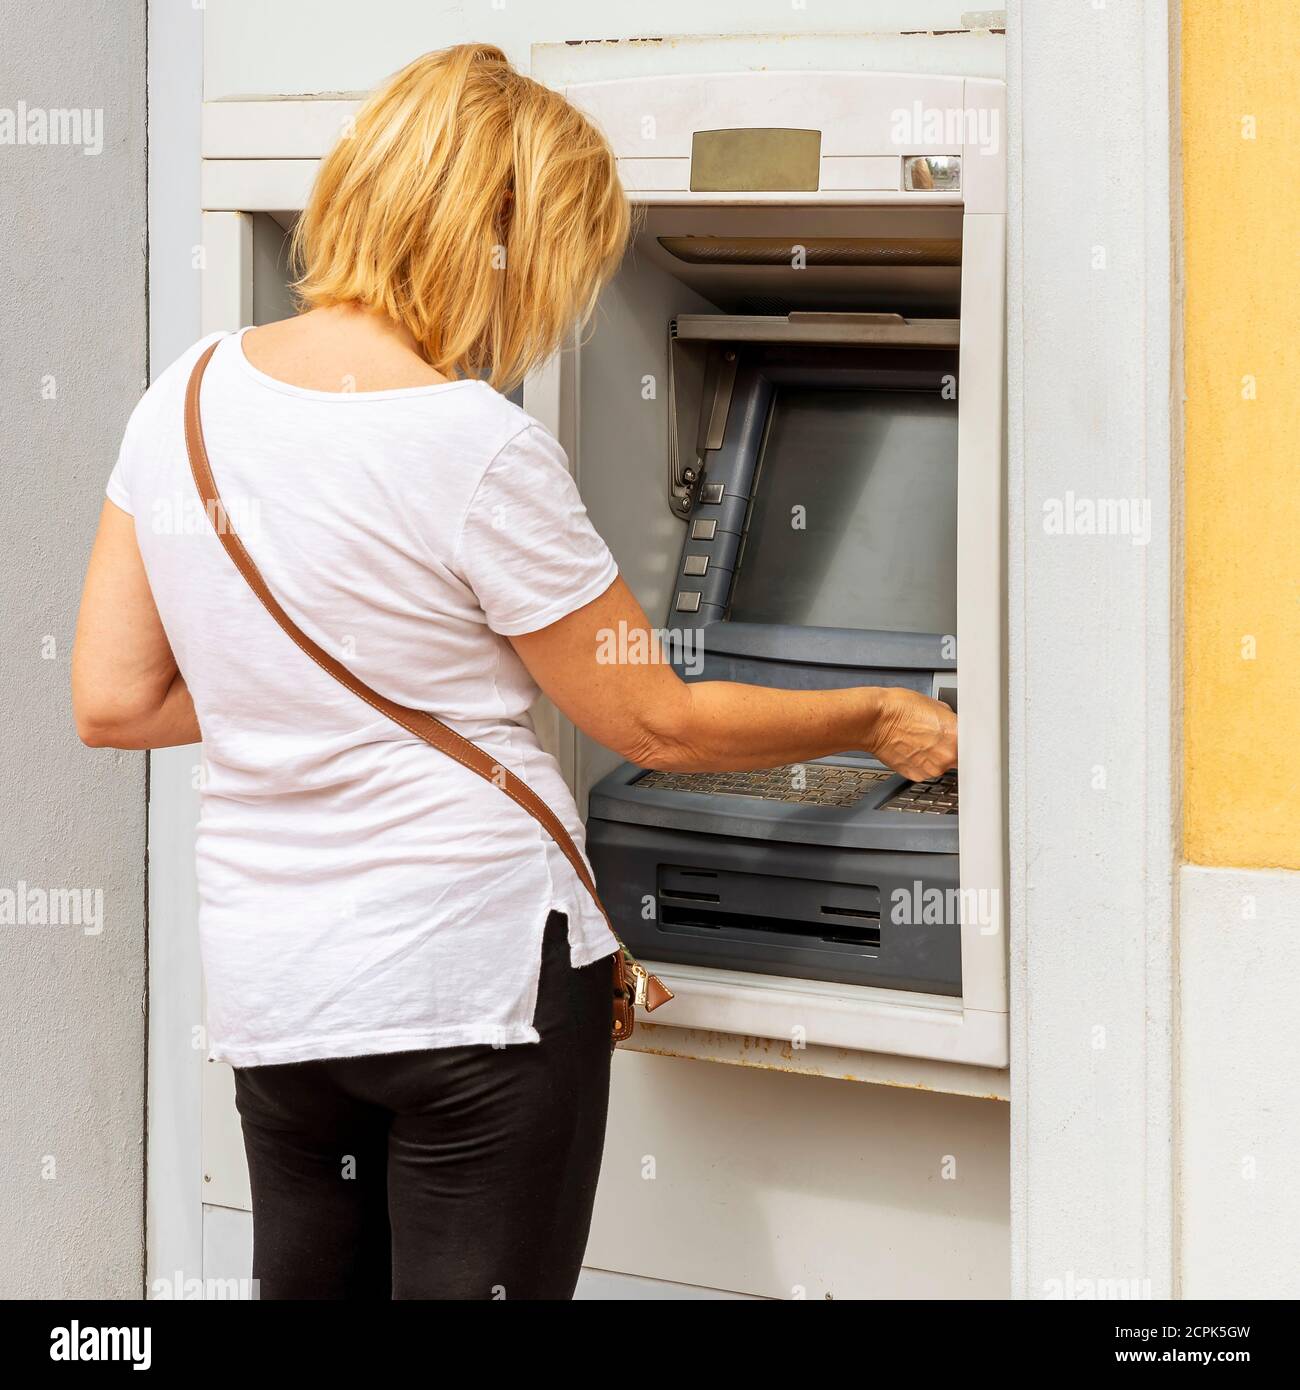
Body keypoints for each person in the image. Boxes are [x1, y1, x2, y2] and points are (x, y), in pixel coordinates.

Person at [71, 44, 957, 1300]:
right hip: (470, 983)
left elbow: (112, 699)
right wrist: (880, 715)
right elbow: (657, 718)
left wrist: (330, 688)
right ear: (508, 239)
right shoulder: (473, 443)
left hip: (282, 985)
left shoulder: (183, 397)